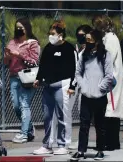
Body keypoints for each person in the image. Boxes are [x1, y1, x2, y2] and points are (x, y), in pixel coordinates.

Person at [33, 20, 77, 155]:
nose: (50, 36)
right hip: (48, 86)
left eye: (53, 34)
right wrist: (39, 79)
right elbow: (43, 65)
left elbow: (75, 69)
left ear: (61, 34)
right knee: (47, 116)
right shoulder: (48, 48)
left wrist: (72, 86)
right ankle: (47, 144)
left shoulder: (69, 48)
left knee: (62, 116)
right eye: (49, 34)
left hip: (62, 85)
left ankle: (63, 144)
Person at [70, 29, 113, 161]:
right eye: (86, 40)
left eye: (90, 40)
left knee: (100, 125)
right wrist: (83, 86)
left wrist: (100, 88)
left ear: (97, 41)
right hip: (86, 96)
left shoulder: (105, 55)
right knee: (84, 124)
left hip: (100, 96)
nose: (87, 42)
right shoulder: (83, 54)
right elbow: (78, 73)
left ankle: (100, 150)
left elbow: (109, 76)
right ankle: (81, 151)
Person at [93, 15, 123, 151]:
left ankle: (110, 143)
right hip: (110, 79)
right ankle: (111, 142)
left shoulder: (110, 39)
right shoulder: (107, 38)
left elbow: (108, 59)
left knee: (109, 111)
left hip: (111, 80)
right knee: (110, 112)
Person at [4, 17, 40, 143]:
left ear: (27, 28)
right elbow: (5, 62)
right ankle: (29, 128)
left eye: (21, 27)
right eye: (17, 27)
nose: (19, 30)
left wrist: (19, 55)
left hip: (27, 77)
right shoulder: (12, 42)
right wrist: (8, 56)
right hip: (14, 76)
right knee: (16, 106)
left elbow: (34, 61)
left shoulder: (33, 43)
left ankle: (24, 133)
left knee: (24, 104)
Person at [68, 24, 93, 150]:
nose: (80, 38)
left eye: (83, 35)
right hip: (79, 84)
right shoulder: (78, 50)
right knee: (81, 114)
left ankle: (100, 143)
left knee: (91, 116)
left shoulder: (92, 50)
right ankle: (81, 142)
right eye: (79, 35)